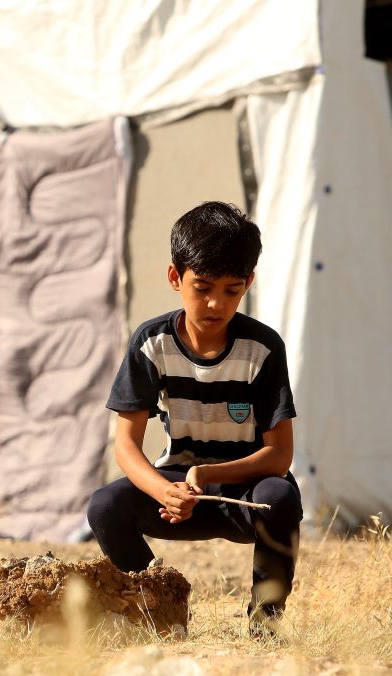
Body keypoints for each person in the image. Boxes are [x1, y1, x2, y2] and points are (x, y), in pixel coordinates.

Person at [87, 200, 303, 638]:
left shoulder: (262, 349)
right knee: (105, 506)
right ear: (175, 278)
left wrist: (207, 472)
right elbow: (125, 446)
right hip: (177, 498)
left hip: (243, 493)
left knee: (280, 498)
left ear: (248, 284)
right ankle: (159, 610)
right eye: (202, 286)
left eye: (231, 290)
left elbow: (279, 456)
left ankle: (266, 623)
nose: (214, 303)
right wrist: (165, 489)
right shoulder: (152, 343)